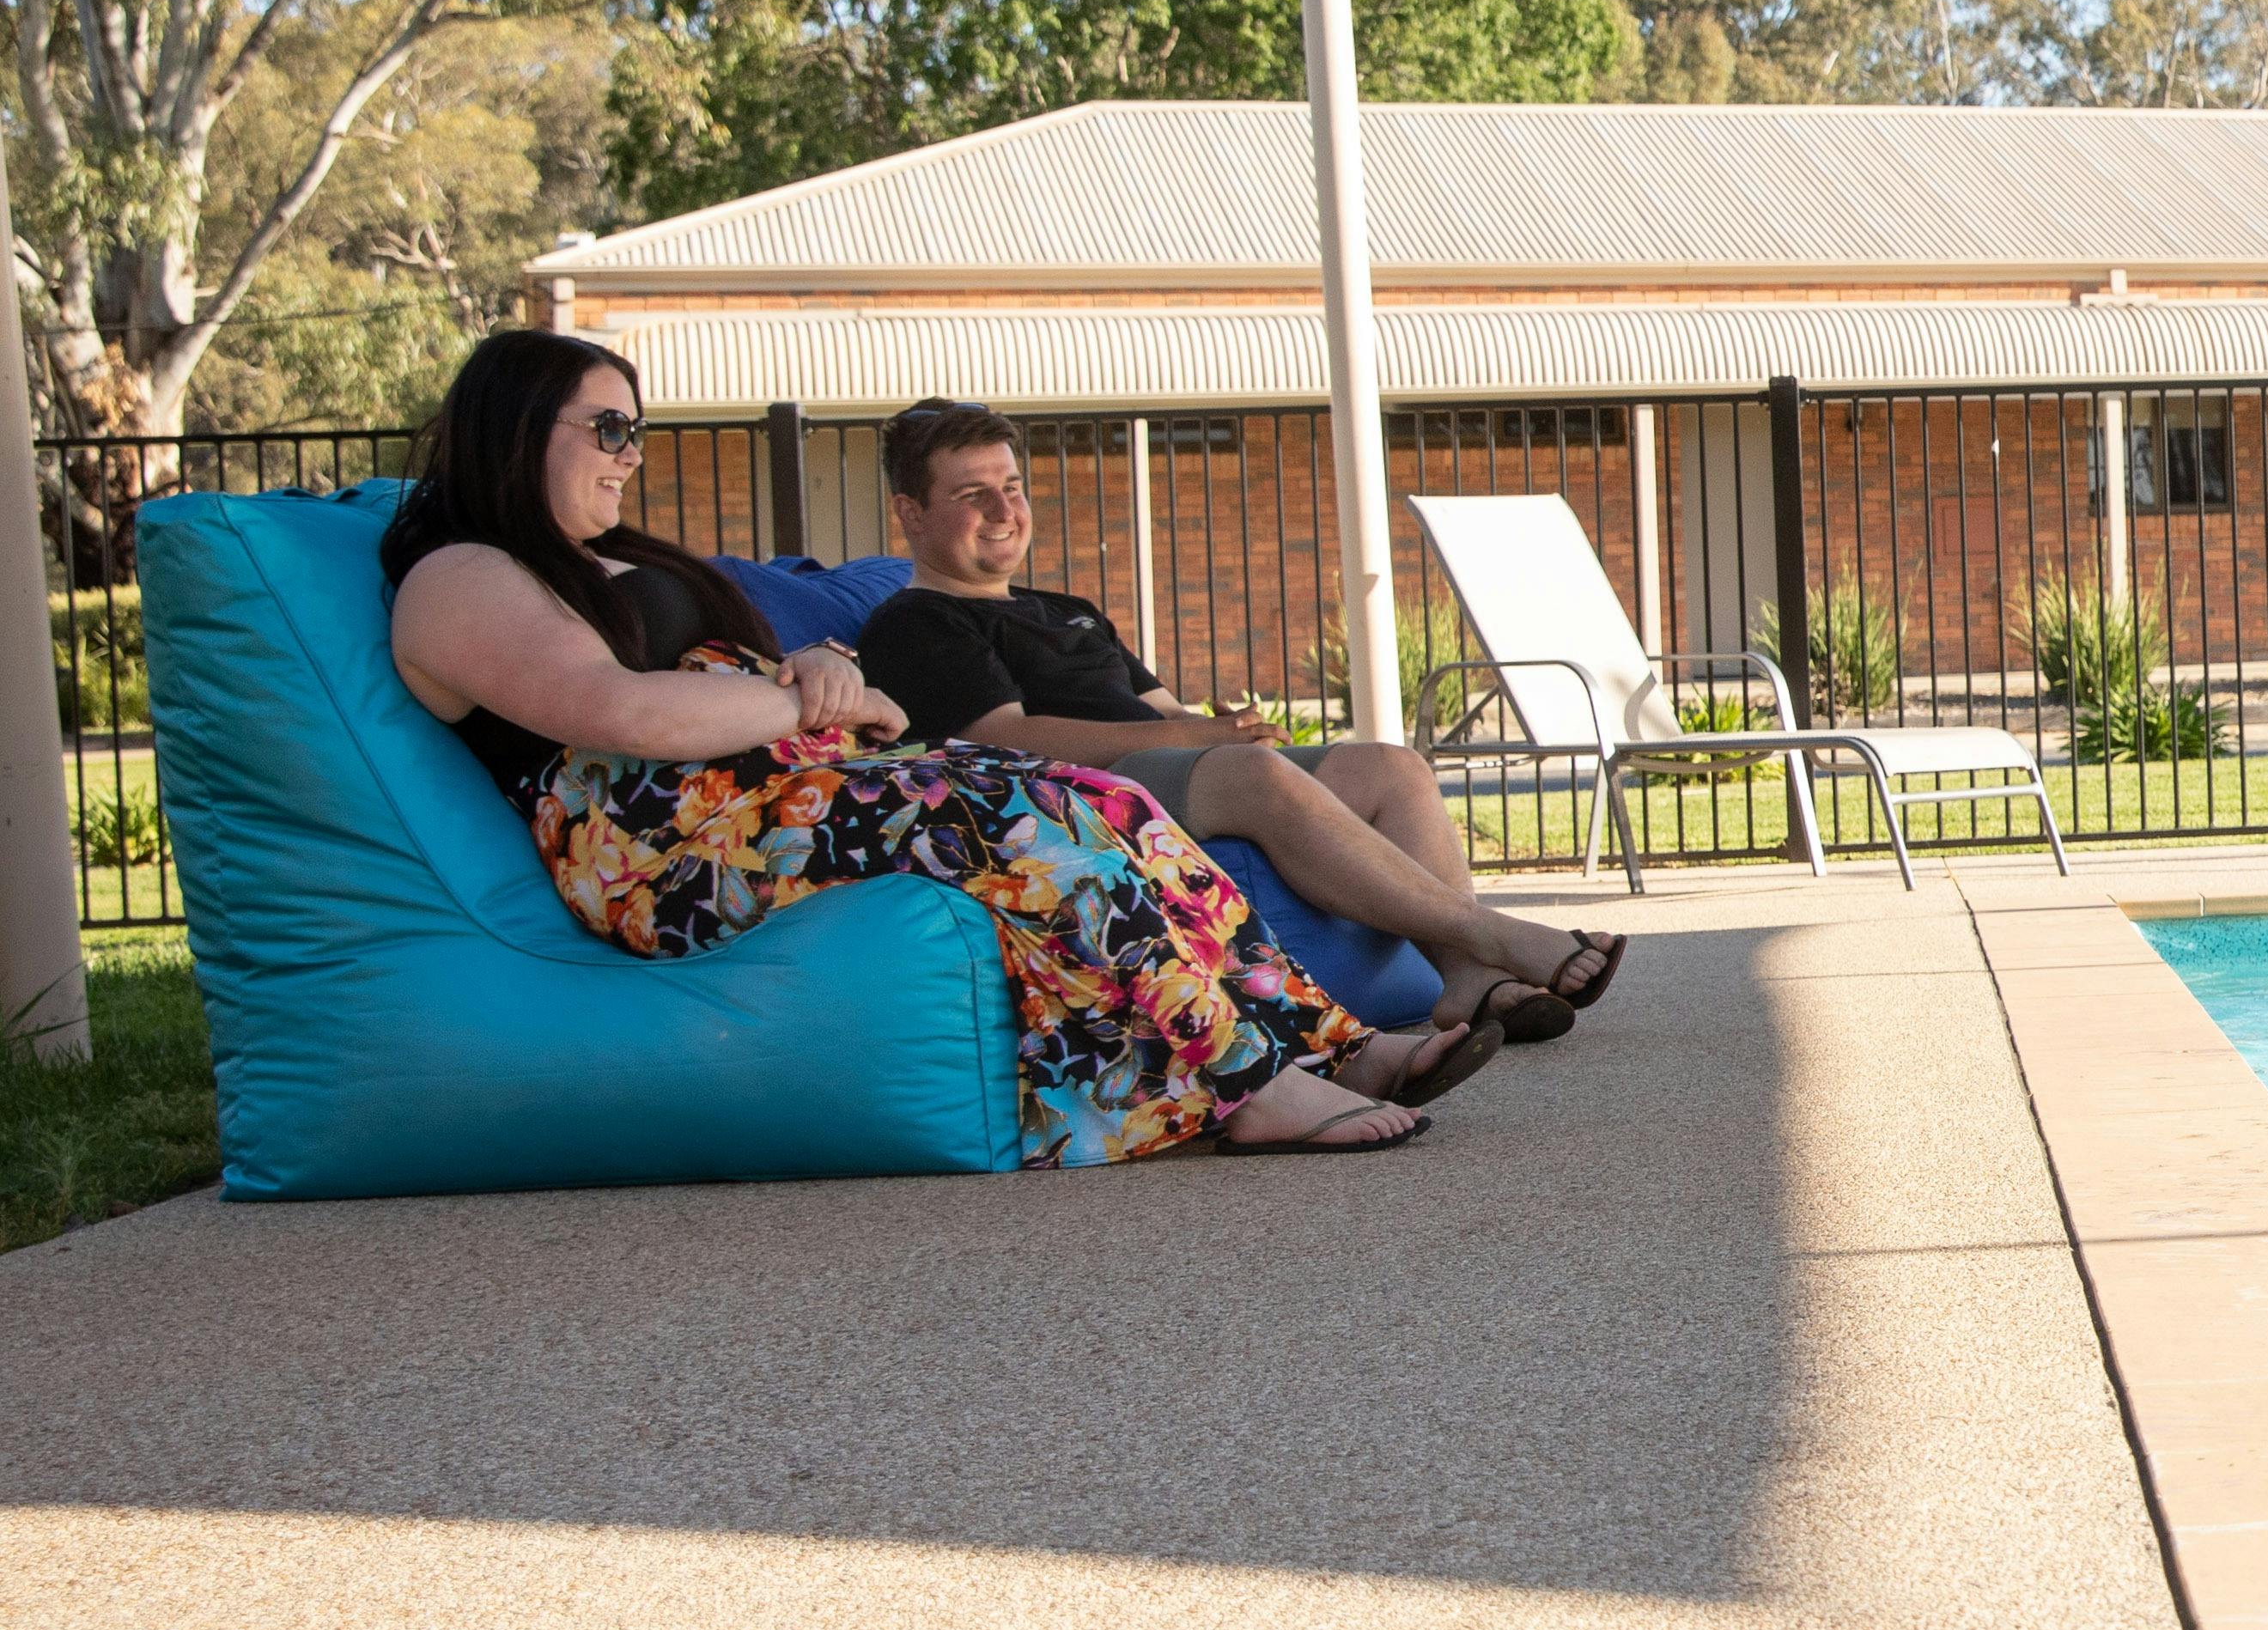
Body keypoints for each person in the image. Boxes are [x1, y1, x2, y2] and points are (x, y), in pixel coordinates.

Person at [381, 330, 1492, 1159]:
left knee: (1104, 805)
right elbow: (624, 718)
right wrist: (805, 705)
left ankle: (1332, 1044)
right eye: (608, 429)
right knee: (1026, 816)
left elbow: (700, 692)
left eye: (637, 429)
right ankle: (1250, 1086)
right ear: (516, 427)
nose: (631, 455)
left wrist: (818, 681)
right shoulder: (462, 575)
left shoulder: (607, 559)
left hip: (787, 794)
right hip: (678, 849)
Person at [852, 400, 1624, 1038]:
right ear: (911, 512)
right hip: (1063, 798)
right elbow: (1006, 738)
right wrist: (1209, 742)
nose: (1002, 510)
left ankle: (1462, 979)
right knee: (1248, 772)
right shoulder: (916, 620)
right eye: (971, 494)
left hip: (1162, 773)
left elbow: (1163, 713)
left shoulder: (1067, 611)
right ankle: (1492, 934)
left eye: (1011, 486)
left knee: (1389, 764)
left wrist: (1218, 725)